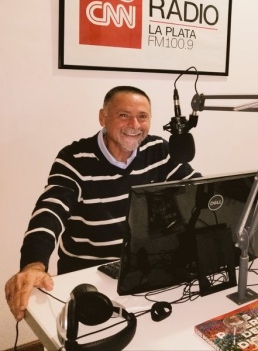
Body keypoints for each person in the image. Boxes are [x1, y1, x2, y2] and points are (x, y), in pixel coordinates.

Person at [4, 86, 201, 321]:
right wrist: (34, 264)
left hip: (144, 270)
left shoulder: (159, 151)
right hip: (88, 278)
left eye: (142, 116)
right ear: (102, 117)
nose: (135, 125)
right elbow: (50, 210)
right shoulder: (75, 159)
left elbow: (197, 193)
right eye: (124, 115)